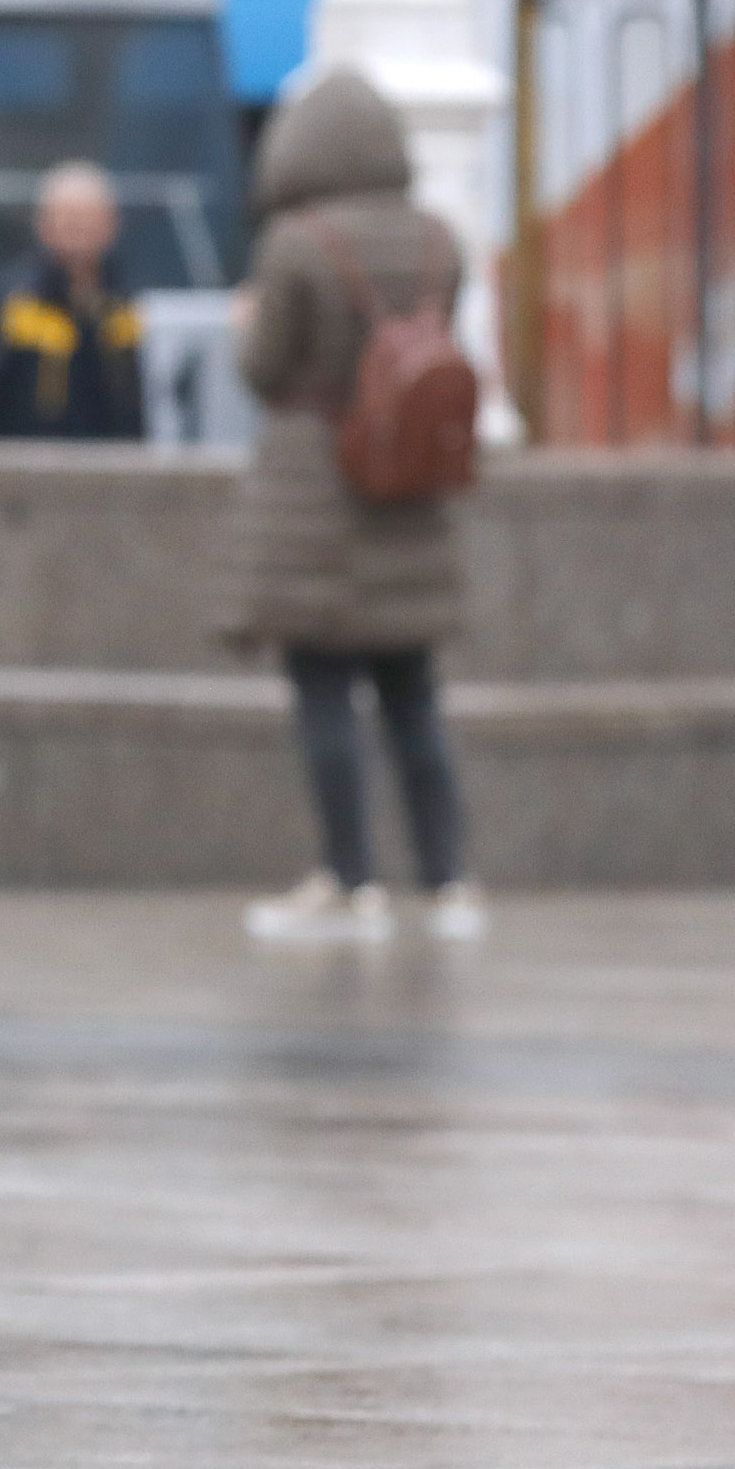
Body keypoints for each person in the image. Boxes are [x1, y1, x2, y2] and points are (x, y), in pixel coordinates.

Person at [228, 67, 482, 943]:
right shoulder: (441, 240)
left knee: (326, 691)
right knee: (414, 695)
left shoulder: (296, 244)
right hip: (412, 486)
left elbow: (266, 371)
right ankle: (448, 883)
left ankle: (351, 880)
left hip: (318, 495)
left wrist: (247, 329)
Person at [0, 159, 149, 441]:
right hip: (20, 464)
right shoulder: (13, 299)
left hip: (105, 464)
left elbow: (132, 400)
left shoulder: (122, 303)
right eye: (67, 216)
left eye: (89, 217)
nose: (78, 228)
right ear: (43, 223)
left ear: (112, 224)